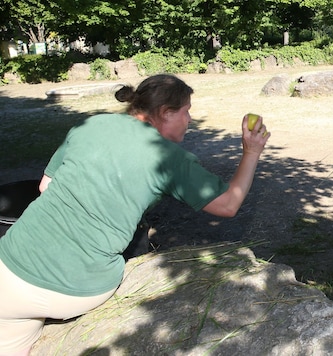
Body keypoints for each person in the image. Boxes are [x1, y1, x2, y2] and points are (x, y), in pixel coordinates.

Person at [0, 74, 270, 356]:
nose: (189, 119)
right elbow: (228, 204)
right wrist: (251, 151)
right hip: (78, 288)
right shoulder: (168, 158)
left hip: (8, 269)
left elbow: (46, 186)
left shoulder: (91, 124)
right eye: (186, 110)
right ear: (166, 113)